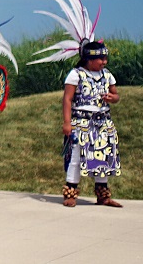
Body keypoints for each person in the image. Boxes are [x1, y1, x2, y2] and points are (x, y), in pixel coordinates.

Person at [62, 40, 122, 207]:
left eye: (105, 58)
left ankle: (103, 195)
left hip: (103, 122)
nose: (104, 62)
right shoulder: (76, 74)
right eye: (100, 59)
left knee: (103, 157)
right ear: (89, 59)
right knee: (76, 157)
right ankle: (70, 192)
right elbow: (67, 99)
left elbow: (116, 95)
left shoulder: (107, 75)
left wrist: (113, 98)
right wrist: (67, 122)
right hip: (81, 122)